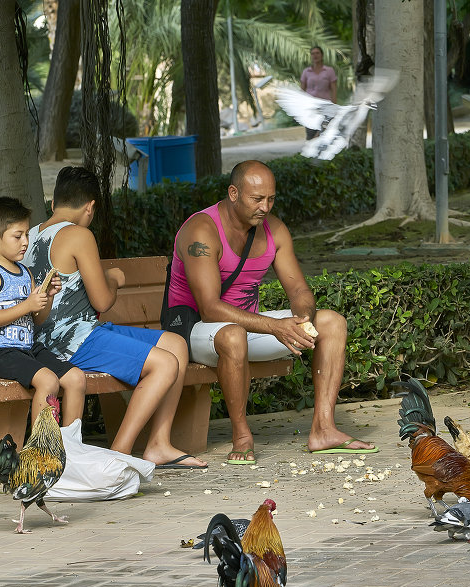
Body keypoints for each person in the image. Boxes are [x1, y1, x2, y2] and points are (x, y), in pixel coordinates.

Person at [167, 160, 377, 465]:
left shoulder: (274, 230)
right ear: (234, 193)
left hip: (243, 328)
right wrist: (277, 327)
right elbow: (210, 308)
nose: (265, 207)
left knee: (332, 323)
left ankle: (323, 430)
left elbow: (299, 291)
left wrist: (301, 320)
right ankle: (242, 436)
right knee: (234, 335)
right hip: (194, 331)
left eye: (271, 199)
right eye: (257, 199)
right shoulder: (202, 230)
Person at [24, 166, 207, 469]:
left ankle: (159, 444)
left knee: (176, 344)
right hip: (70, 343)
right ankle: (120, 455)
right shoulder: (79, 235)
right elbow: (103, 300)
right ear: (90, 207)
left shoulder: (30, 235)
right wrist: (114, 278)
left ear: (53, 203)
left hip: (62, 337)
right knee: (165, 363)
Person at [0, 196, 86, 431]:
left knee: (76, 379)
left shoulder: (25, 273)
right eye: (18, 236)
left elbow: (37, 319)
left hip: (27, 348)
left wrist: (48, 297)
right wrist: (27, 305)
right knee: (48, 381)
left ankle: (69, 449)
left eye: (27, 234)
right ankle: (40, 453)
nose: (25, 242)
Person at [299, 45, 337, 140]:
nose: (315, 55)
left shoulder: (329, 71)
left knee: (324, 132)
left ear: (322, 55)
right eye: (313, 54)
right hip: (310, 107)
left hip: (325, 106)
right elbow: (302, 90)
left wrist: (334, 106)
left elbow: (334, 89)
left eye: (317, 53)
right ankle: (310, 151)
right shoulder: (306, 72)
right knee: (311, 132)